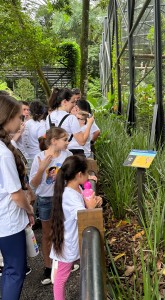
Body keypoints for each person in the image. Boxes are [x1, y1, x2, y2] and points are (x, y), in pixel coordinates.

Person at [50, 155, 102, 300]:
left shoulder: (76, 187)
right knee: (61, 278)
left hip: (74, 238)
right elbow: (84, 218)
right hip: (67, 242)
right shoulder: (69, 196)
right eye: (87, 173)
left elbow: (84, 205)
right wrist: (91, 207)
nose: (88, 176)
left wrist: (94, 202)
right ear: (79, 175)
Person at [0, 94, 35, 300]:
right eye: (18, 116)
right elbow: (16, 195)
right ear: (6, 117)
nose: (21, 121)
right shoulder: (4, 153)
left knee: (9, 270)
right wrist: (30, 210)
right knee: (16, 271)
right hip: (8, 221)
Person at [29, 127, 73, 285]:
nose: (67, 142)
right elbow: (33, 184)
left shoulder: (68, 155)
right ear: (54, 141)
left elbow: (73, 176)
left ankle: (63, 263)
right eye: (64, 139)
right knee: (47, 234)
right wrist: (41, 169)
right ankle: (48, 268)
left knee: (64, 230)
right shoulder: (39, 157)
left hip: (63, 197)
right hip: (46, 199)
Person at [46, 88, 94, 156]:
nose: (74, 105)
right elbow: (82, 142)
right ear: (65, 102)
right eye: (72, 102)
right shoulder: (71, 118)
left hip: (54, 155)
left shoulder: (49, 117)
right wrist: (89, 124)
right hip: (68, 155)